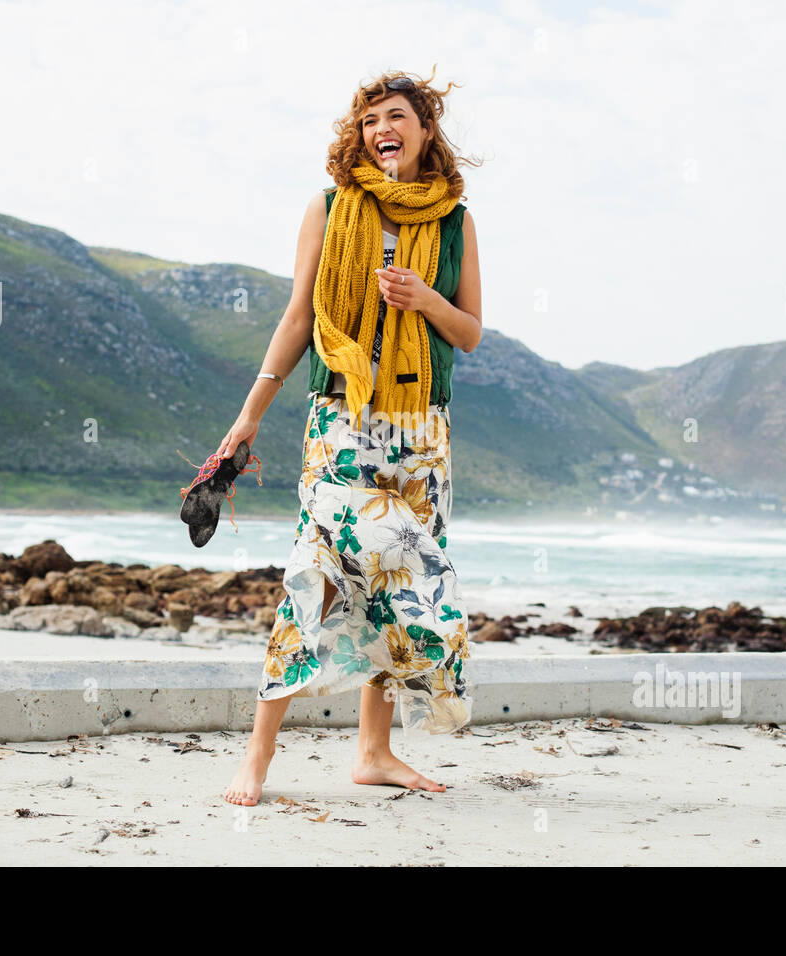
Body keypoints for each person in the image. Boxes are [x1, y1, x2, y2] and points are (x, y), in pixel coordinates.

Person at [218, 69, 483, 807]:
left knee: (397, 588)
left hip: (422, 432)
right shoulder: (331, 208)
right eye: (369, 121)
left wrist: (425, 299)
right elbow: (299, 317)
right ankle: (258, 757)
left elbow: (470, 333)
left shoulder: (455, 221)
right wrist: (250, 415)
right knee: (319, 573)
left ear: (426, 130)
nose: (380, 130)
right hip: (341, 421)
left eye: (396, 117)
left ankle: (373, 751)